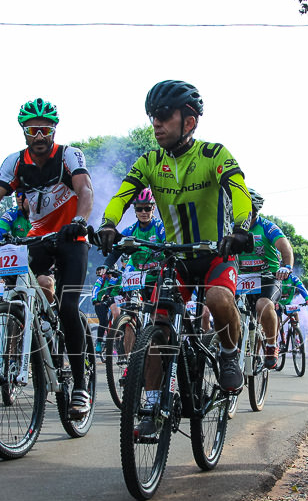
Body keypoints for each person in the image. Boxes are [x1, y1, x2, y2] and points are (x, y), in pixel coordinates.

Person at [96, 79, 252, 427]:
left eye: (164, 116)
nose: (156, 124)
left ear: (190, 122)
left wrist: (241, 227)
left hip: (215, 253)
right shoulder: (150, 160)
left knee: (216, 299)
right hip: (175, 260)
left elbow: (238, 189)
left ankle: (229, 354)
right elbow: (124, 194)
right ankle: (152, 404)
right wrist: (108, 224)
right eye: (153, 116)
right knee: (158, 329)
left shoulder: (214, 154)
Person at [0, 97, 95, 419]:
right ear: (24, 132)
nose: (39, 136)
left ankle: (81, 386)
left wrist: (79, 221)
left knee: (68, 307)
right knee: (16, 292)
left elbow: (85, 191)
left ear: (54, 131)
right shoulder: (15, 162)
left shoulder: (68, 155)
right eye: (32, 130)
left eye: (45, 130)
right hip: (37, 240)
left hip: (71, 239)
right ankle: (26, 332)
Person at [237, 189, 295, 368]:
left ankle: (271, 344)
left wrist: (286, 267)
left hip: (268, 277)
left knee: (263, 305)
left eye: (250, 210)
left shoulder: (267, 227)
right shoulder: (233, 226)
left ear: (255, 211)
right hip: (242, 277)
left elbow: (285, 247)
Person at [103, 188, 166, 302]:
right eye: (139, 208)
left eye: (147, 208)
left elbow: (168, 246)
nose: (143, 212)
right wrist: (106, 266)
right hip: (137, 278)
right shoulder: (130, 231)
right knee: (127, 306)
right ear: (135, 210)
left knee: (158, 313)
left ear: (153, 208)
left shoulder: (160, 227)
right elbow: (116, 251)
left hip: (158, 276)